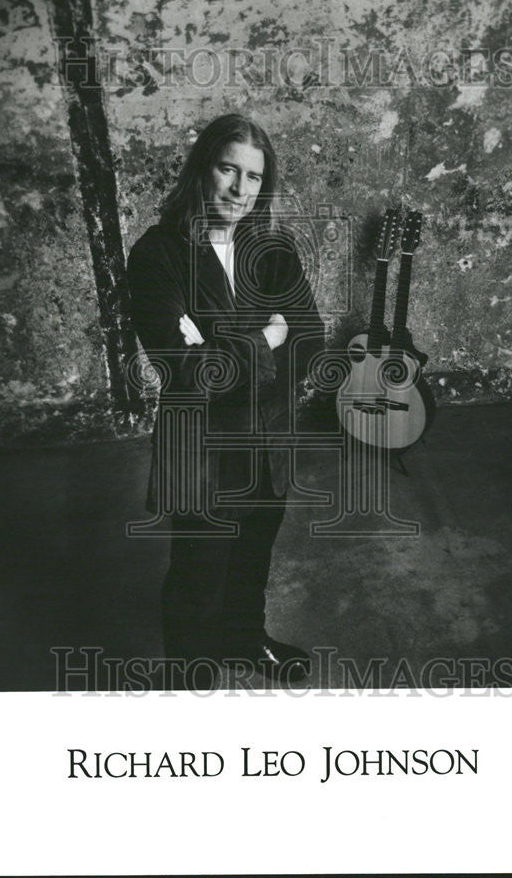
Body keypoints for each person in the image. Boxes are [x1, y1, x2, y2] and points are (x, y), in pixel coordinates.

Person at [126, 113, 325, 686]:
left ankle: (245, 640)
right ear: (202, 169)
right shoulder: (157, 255)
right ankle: (191, 674)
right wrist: (267, 336)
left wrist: (219, 348)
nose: (240, 190)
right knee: (199, 570)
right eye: (228, 169)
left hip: (269, 437)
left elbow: (309, 341)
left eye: (255, 177)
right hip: (205, 449)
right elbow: (184, 371)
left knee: (254, 555)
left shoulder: (273, 246)